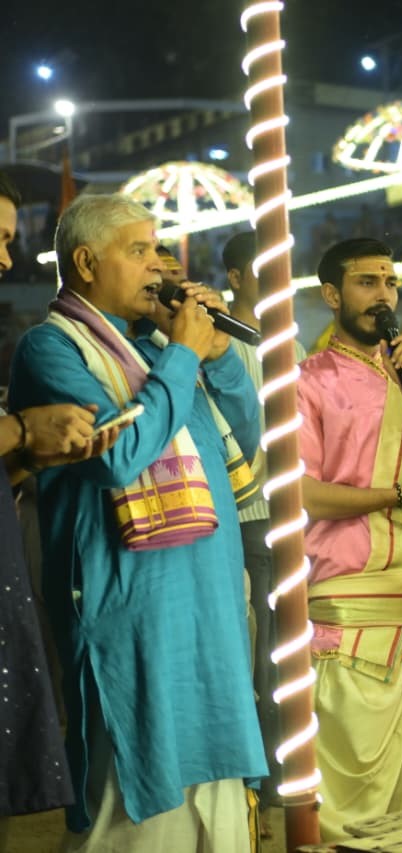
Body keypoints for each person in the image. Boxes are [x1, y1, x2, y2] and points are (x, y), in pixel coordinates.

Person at [8, 193, 265, 849]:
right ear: (86, 263)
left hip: (208, 611)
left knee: (218, 812)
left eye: (158, 247)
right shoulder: (50, 347)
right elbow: (116, 456)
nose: (160, 264)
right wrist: (182, 356)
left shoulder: (158, 348)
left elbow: (244, 437)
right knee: (132, 818)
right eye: (139, 249)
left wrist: (216, 354)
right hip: (130, 617)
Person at [298, 237, 402, 840]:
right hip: (349, 611)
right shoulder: (307, 382)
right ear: (332, 295)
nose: (383, 296)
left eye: (390, 282)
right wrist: (401, 496)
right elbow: (305, 494)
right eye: (367, 282)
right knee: (349, 806)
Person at [0, 172, 115, 844]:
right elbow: (125, 457)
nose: (7, 259)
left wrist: (30, 455)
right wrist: (21, 428)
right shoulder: (48, 344)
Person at [220, 230, 309, 801]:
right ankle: (265, 776)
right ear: (235, 278)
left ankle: (280, 770)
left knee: (285, 647)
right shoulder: (219, 342)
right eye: (264, 271)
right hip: (244, 513)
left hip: (287, 512)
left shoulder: (289, 347)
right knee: (261, 650)